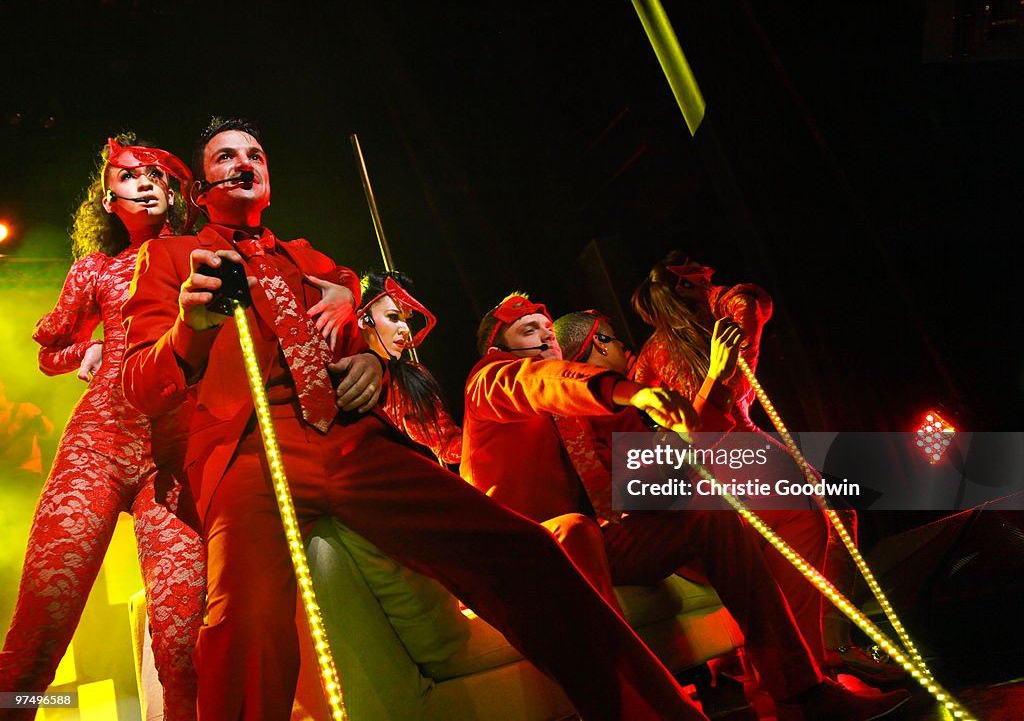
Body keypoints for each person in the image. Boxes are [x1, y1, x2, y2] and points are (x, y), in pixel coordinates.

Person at [120, 117, 712, 721]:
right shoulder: (169, 258)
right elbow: (140, 388)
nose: (244, 163)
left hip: (353, 444)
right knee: (242, 619)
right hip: (250, 455)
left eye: (256, 154)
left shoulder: (309, 259)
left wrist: (370, 362)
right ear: (198, 190)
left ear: (269, 179)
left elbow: (363, 331)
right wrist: (189, 329)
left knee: (524, 551)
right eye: (225, 157)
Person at [461, 293, 911, 721]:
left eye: (547, 329)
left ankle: (804, 693)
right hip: (534, 551)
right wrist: (630, 392)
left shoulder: (591, 406)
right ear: (497, 348)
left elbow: (669, 463)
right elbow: (537, 384)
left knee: (720, 515)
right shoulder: (491, 381)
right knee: (576, 529)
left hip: (597, 540)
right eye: (527, 331)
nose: (544, 337)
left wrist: (712, 381)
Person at [0, 136, 206, 720]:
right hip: (98, 443)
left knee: (181, 647)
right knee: (38, 635)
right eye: (129, 175)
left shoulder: (202, 255)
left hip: (175, 450)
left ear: (176, 191)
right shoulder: (96, 269)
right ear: (107, 197)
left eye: (158, 175)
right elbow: (50, 351)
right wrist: (83, 351)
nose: (145, 183)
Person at [631, 252, 904, 682]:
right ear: (684, 288)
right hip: (737, 446)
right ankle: (825, 652)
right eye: (702, 279)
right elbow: (749, 300)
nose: (711, 283)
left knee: (786, 544)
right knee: (826, 521)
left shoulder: (647, 356)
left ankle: (799, 659)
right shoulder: (722, 321)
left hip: (698, 470)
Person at [357, 271, 462, 464]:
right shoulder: (333, 359)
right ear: (364, 319)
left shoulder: (408, 381)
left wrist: (489, 428)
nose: (405, 329)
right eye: (394, 317)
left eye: (407, 320)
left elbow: (447, 445)